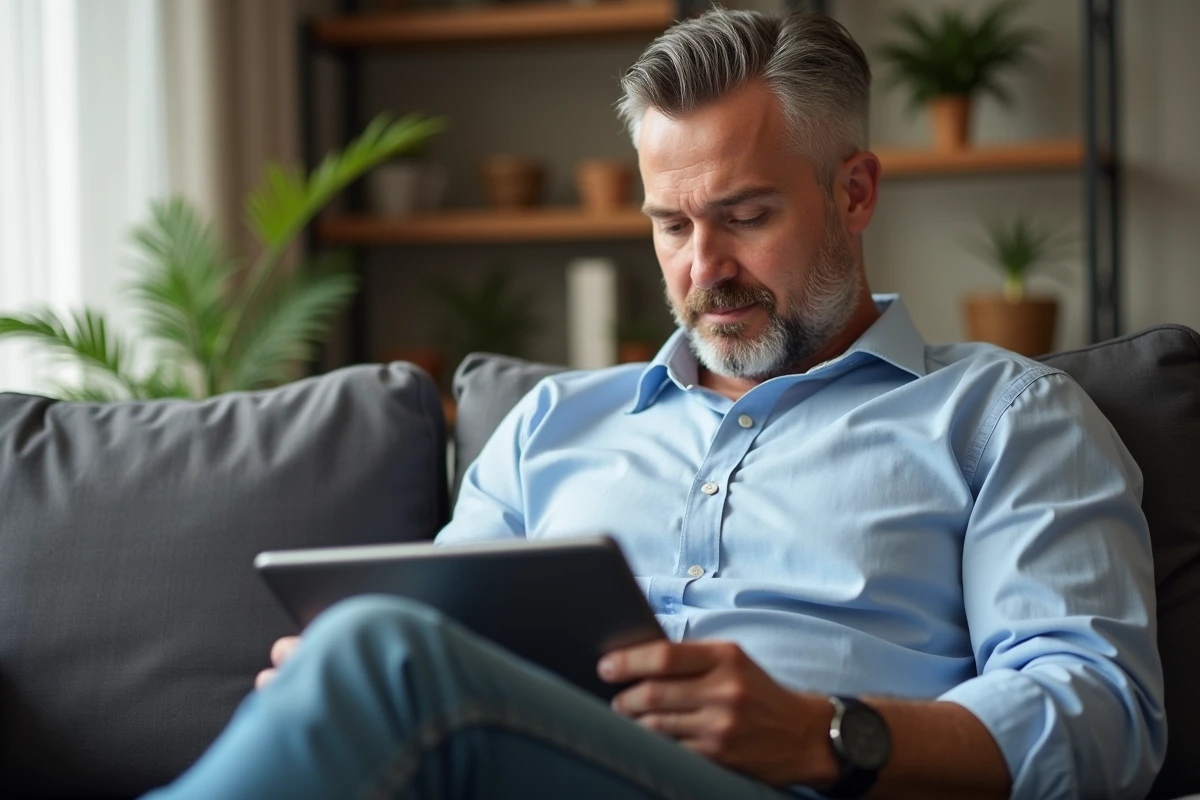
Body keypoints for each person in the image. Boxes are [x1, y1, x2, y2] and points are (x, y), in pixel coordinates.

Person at [145, 9, 1165, 799]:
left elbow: (1102, 710)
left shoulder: (1002, 417)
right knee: (370, 649)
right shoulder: (548, 425)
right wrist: (333, 680)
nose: (702, 266)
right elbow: (435, 638)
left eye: (745, 215)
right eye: (671, 225)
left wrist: (822, 732)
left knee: (382, 654)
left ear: (855, 193)